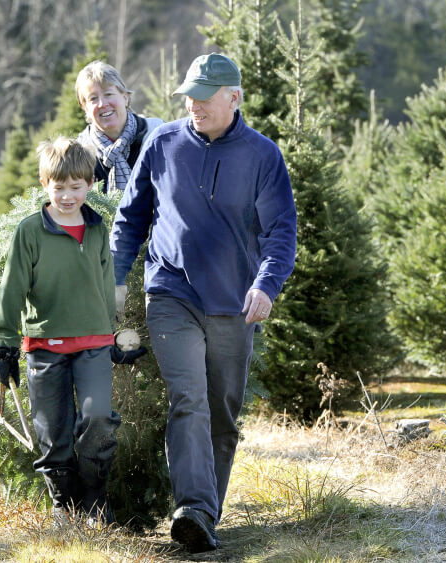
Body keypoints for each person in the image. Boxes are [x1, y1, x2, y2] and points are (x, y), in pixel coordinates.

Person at [110, 53, 297, 552]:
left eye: (204, 95)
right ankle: (192, 506)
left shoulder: (262, 156)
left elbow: (281, 231)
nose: (193, 104)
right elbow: (130, 221)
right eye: (189, 95)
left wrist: (266, 284)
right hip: (171, 291)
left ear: (233, 97)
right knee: (188, 398)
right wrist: (112, 286)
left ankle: (204, 516)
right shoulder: (163, 143)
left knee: (222, 411)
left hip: (235, 302)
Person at [0, 137, 146, 527]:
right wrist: (6, 346)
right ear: (46, 184)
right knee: (52, 429)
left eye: (76, 187)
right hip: (45, 345)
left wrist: (113, 336)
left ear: (89, 186)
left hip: (93, 343)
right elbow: (13, 289)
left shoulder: (96, 229)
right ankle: (65, 505)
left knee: (96, 420)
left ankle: (95, 500)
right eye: (59, 187)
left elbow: (104, 283)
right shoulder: (30, 232)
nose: (67, 195)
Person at [75, 60, 163, 193]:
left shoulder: (157, 133)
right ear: (85, 108)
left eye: (108, 94)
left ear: (125, 97)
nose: (102, 104)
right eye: (93, 98)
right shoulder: (79, 152)